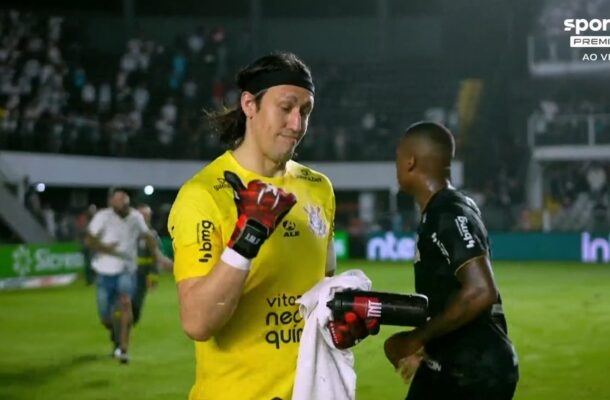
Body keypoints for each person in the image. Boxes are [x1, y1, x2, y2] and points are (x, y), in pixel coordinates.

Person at [168, 52, 374, 400]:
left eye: (305, 111)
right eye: (286, 107)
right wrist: (246, 241)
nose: (297, 124)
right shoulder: (203, 194)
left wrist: (344, 320)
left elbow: (320, 294)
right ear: (249, 104)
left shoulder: (318, 187)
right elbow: (198, 323)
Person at [384, 121, 519, 399]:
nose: (395, 164)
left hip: (473, 371)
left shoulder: (449, 213)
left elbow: (481, 290)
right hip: (454, 363)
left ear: (410, 161)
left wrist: (416, 338)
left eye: (397, 156)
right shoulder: (445, 209)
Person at [85, 188, 159, 364]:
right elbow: (89, 241)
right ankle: (116, 334)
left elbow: (148, 237)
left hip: (127, 270)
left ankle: (124, 350)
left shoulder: (135, 218)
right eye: (118, 199)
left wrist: (156, 256)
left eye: (124, 199)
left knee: (126, 304)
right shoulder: (103, 217)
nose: (122, 202)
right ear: (112, 202)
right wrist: (105, 248)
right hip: (105, 272)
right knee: (105, 316)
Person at [132, 203, 173, 325]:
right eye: (142, 215)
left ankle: (132, 320)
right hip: (128, 272)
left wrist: (153, 277)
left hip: (142, 274)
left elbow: (156, 258)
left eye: (147, 215)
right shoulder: (127, 232)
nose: (145, 217)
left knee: (137, 300)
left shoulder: (152, 235)